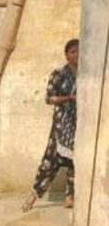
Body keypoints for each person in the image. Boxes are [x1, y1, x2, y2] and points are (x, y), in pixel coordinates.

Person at [23, 38, 79, 211]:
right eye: (73, 52)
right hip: (61, 125)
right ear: (67, 55)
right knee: (50, 161)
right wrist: (69, 98)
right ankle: (33, 196)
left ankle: (70, 197)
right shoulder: (58, 75)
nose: (77, 55)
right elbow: (50, 98)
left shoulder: (86, 75)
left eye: (79, 51)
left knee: (75, 162)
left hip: (78, 124)